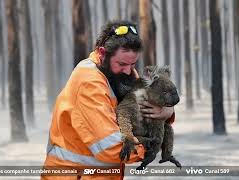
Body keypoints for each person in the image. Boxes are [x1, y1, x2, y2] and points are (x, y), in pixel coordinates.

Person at [41, 20, 176, 180]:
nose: (128, 70)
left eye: (132, 64)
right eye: (121, 64)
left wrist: (168, 111)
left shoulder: (122, 74)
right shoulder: (88, 82)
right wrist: (152, 145)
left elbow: (147, 111)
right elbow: (111, 148)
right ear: (103, 53)